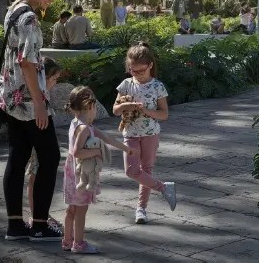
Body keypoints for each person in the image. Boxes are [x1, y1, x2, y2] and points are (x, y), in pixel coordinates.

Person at [0, 0, 63, 242]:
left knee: (18, 155)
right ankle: (39, 224)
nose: (51, 1)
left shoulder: (13, 11)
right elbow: (27, 61)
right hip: (27, 99)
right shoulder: (30, 19)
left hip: (11, 97)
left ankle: (16, 226)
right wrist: (39, 103)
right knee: (50, 157)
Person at [112, 43, 178, 224]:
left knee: (146, 170)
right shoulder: (126, 85)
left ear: (150, 66)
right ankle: (164, 188)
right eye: (133, 71)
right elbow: (116, 110)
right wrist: (126, 106)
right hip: (130, 133)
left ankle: (141, 209)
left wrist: (147, 111)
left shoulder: (157, 86)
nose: (137, 75)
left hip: (150, 133)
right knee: (132, 171)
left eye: (140, 70)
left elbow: (164, 114)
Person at [63, 86, 134, 254]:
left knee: (72, 208)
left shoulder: (77, 123)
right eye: (95, 107)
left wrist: (126, 149)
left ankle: (67, 240)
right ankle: (78, 244)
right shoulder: (85, 128)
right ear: (90, 106)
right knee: (81, 209)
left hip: (71, 172)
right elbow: (77, 152)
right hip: (82, 174)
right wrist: (96, 151)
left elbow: (107, 138)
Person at [24, 57, 62, 231]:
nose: (54, 83)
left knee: (35, 175)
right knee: (35, 176)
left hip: (38, 141)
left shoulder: (42, 95)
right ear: (42, 77)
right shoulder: (36, 96)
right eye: (53, 79)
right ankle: (37, 216)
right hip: (37, 144)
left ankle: (40, 214)